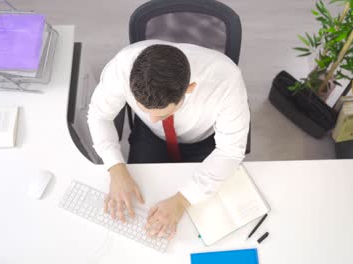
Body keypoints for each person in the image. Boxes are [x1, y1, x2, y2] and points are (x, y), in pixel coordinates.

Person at [87, 40, 250, 240]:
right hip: (150, 136)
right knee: (142, 200)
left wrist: (182, 200)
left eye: (162, 114)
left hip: (205, 140)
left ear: (189, 89)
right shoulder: (121, 67)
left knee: (201, 218)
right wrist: (115, 168)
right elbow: (99, 115)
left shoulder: (226, 80)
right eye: (145, 110)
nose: (153, 119)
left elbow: (230, 151)